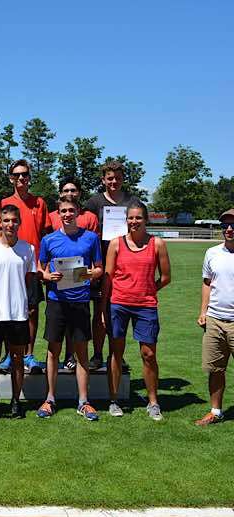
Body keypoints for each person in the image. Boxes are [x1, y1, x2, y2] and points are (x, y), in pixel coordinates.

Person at [102, 201, 171, 420]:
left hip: (146, 306)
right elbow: (108, 279)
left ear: (146, 219)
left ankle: (153, 402)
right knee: (116, 352)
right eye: (130, 218)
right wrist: (104, 309)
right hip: (118, 304)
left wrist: (149, 289)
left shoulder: (157, 244)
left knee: (148, 354)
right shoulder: (116, 244)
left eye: (138, 218)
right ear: (126, 220)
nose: (134, 222)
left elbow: (166, 277)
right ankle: (114, 400)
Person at [36, 199, 103, 421]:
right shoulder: (49, 239)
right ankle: (50, 399)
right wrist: (47, 276)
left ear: (78, 212)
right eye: (63, 211)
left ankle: (83, 401)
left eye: (71, 210)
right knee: (53, 351)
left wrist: (90, 274)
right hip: (56, 300)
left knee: (81, 352)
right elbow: (40, 268)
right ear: (58, 213)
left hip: (80, 300)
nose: (67, 214)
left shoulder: (91, 238)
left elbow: (99, 268)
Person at [0, 205, 37, 418]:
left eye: (14, 220)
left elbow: (29, 280)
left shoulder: (28, 249)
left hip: (18, 314)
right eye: (6, 221)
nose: (10, 224)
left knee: (17, 358)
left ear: (19, 222)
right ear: (0, 223)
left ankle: (15, 400)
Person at [84, 160, 139, 370]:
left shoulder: (132, 202)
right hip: (101, 263)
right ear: (103, 179)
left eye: (117, 177)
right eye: (110, 178)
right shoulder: (94, 202)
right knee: (99, 311)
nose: (114, 181)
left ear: (123, 178)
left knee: (119, 311)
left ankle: (116, 355)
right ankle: (97, 355)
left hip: (126, 265)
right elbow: (87, 232)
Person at [0, 160, 50, 374]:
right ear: (11, 178)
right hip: (9, 266)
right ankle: (9, 354)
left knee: (31, 310)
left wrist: (43, 264)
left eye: (25, 174)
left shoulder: (39, 202)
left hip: (31, 266)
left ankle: (28, 354)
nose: (21, 178)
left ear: (29, 177)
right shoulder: (4, 202)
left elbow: (45, 237)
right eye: (17, 175)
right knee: (7, 310)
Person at [195, 208, 234, 425]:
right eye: (225, 226)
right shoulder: (212, 253)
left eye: (233, 225)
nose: (229, 229)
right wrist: (203, 311)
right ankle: (215, 411)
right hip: (215, 320)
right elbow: (207, 283)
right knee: (215, 369)